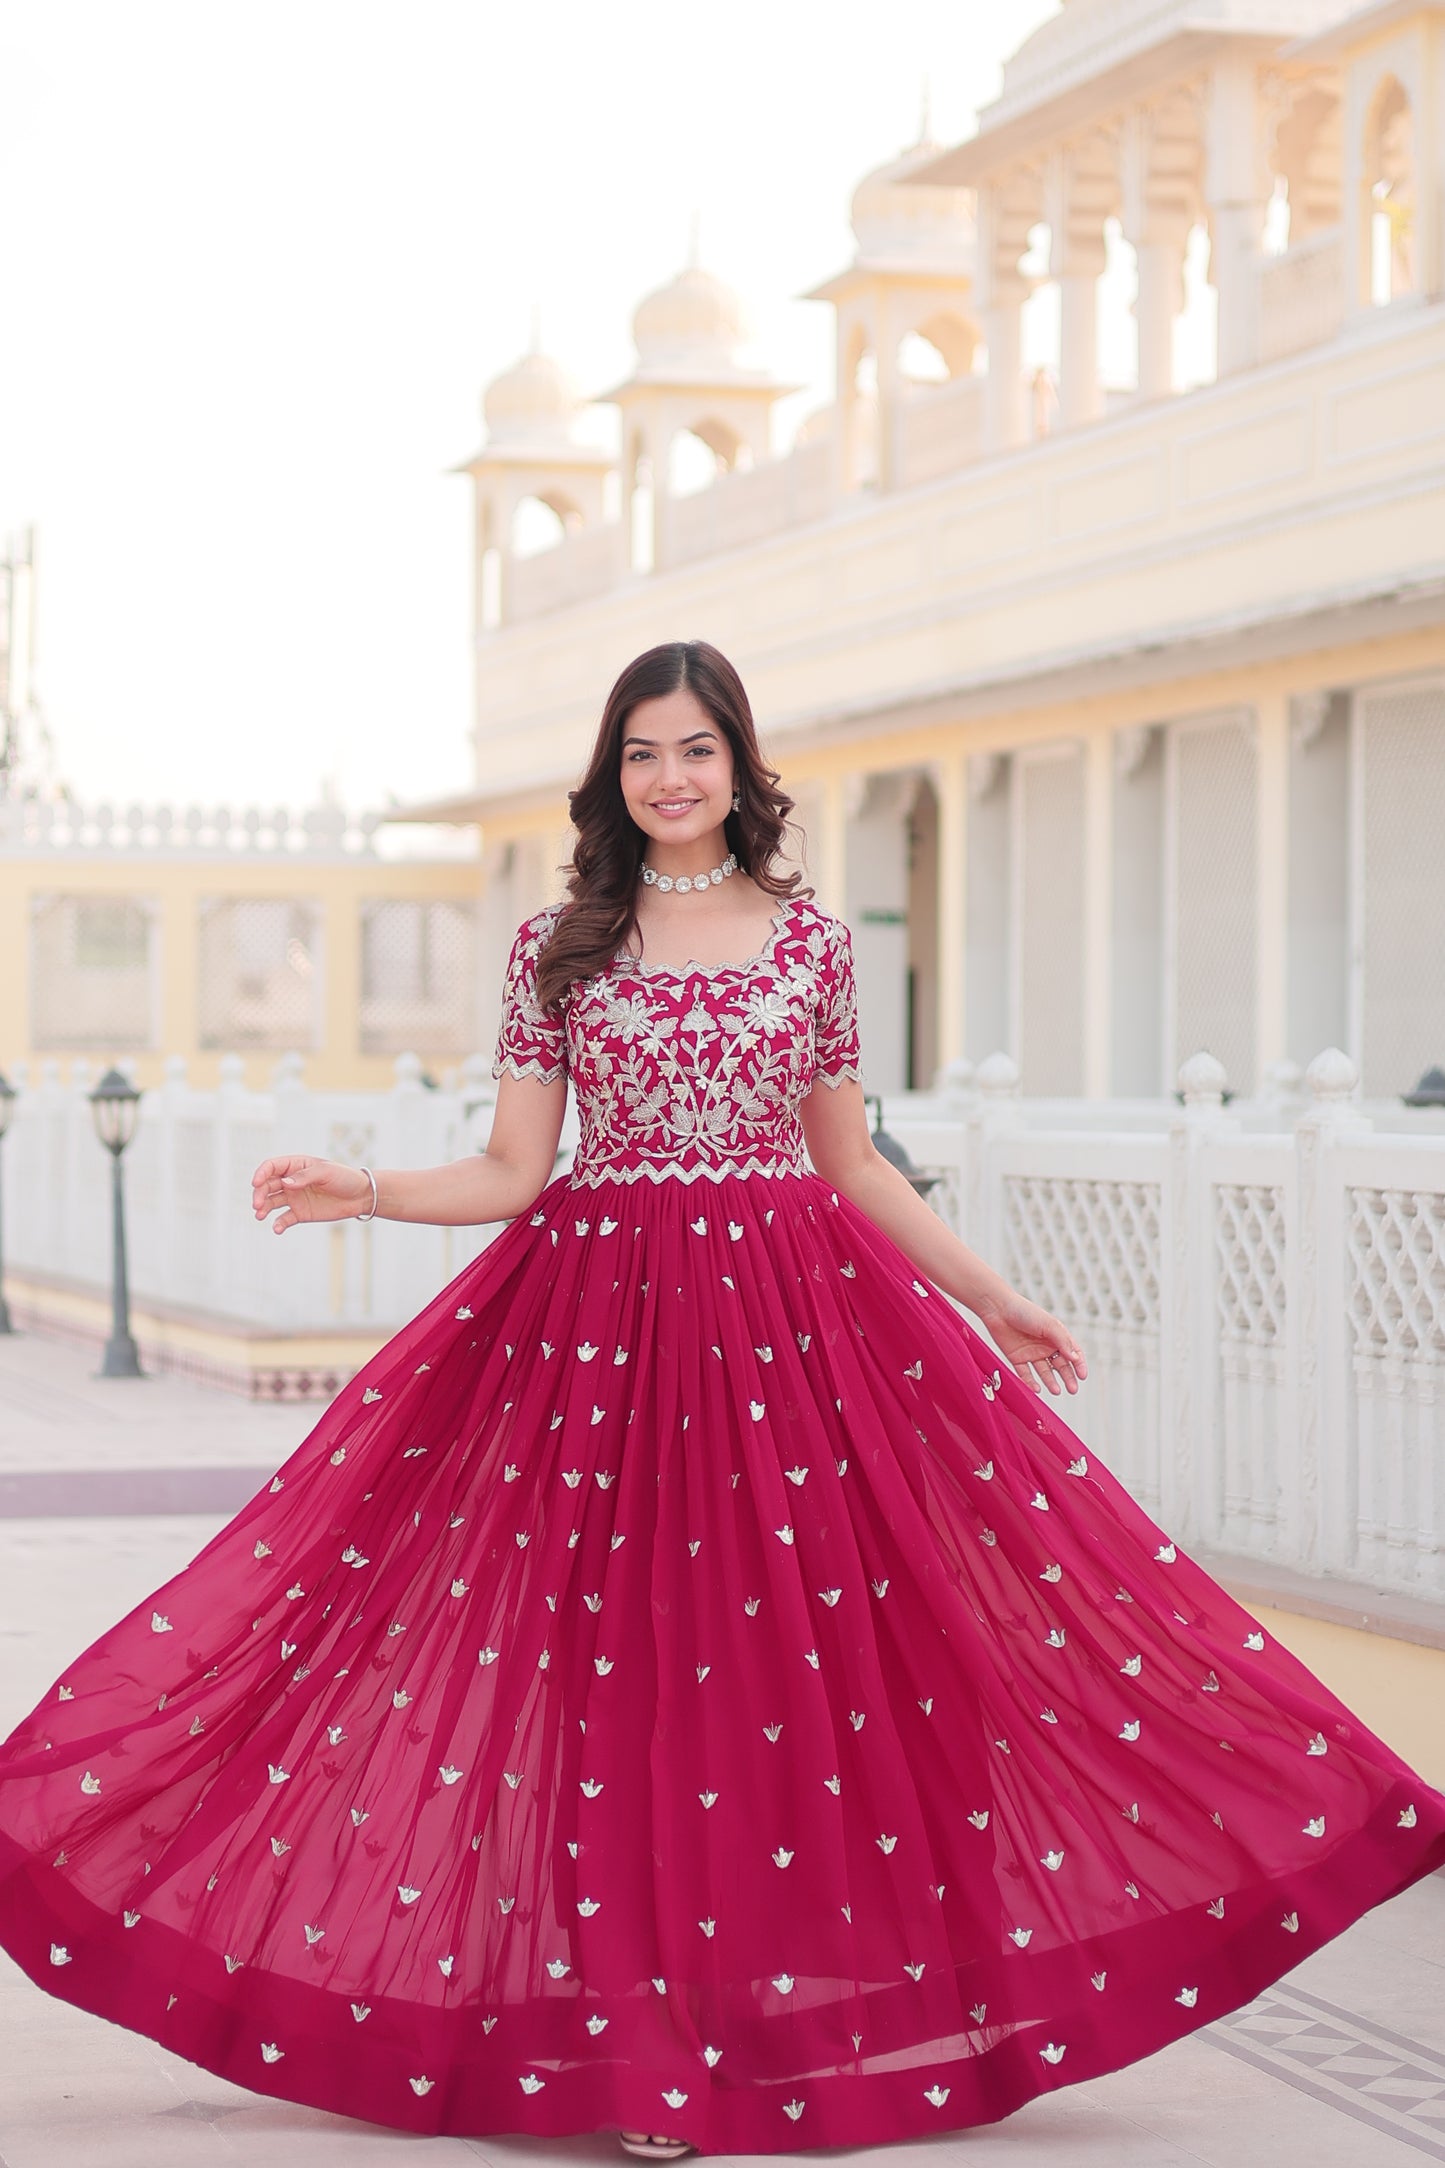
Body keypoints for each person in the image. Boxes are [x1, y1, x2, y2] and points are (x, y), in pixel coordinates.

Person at [1, 639, 1442, 2161]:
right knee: (613, 1680)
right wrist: (355, 1185)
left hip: (795, 1349)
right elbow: (511, 1170)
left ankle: (772, 2016)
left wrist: (994, 1295)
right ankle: (645, 2051)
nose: (668, 778)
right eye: (640, 753)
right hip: (595, 1347)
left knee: (802, 1679)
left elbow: (850, 1160)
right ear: (611, 775)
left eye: (693, 749)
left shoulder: (811, 944)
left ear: (737, 765)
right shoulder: (560, 944)